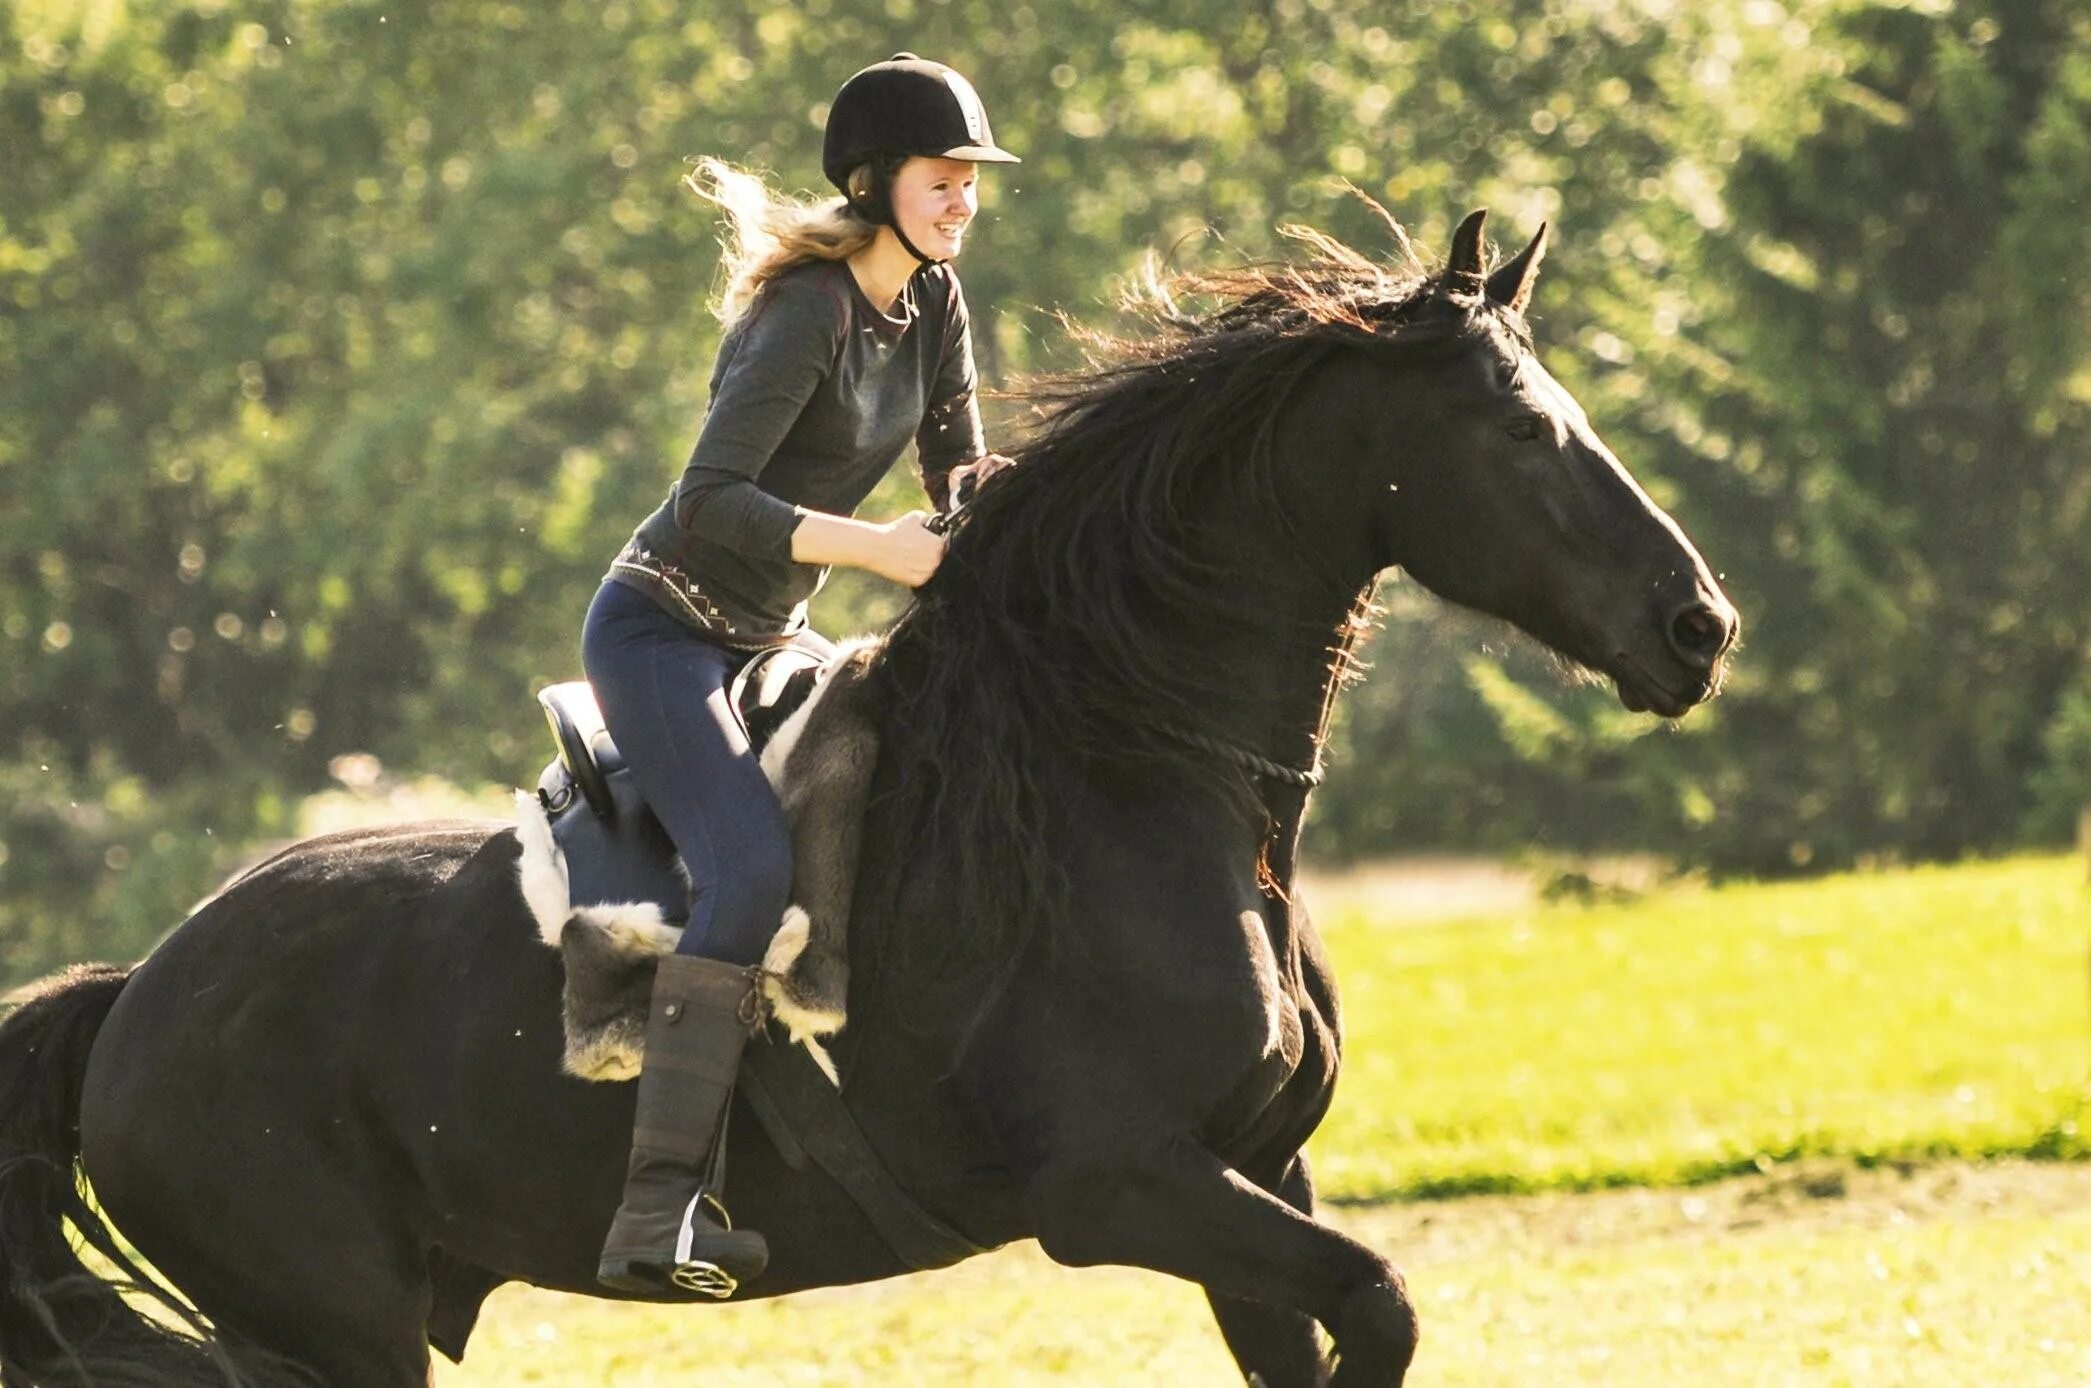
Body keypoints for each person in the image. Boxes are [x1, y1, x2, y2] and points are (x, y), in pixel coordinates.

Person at [584, 53, 1019, 1298]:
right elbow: (710, 500)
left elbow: (961, 475)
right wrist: (878, 552)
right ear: (877, 181)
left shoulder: (935, 302)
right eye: (944, 180)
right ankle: (654, 1211)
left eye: (972, 183)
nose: (962, 201)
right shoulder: (808, 311)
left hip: (770, 637)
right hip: (663, 629)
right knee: (753, 869)